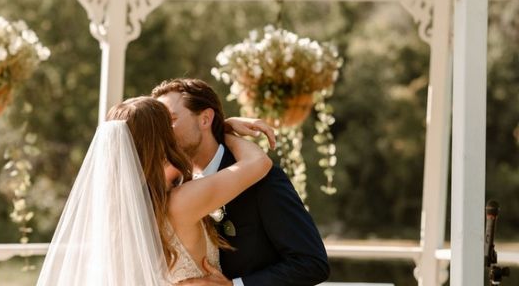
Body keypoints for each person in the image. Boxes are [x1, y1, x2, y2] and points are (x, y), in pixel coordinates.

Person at [37, 96, 272, 285]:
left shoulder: (112, 211)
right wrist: (224, 130)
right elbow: (259, 163)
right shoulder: (182, 202)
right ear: (161, 139)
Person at [153, 78, 330, 286]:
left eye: (171, 120)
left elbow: (312, 263)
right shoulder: (175, 183)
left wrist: (236, 285)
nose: (164, 132)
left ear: (205, 119)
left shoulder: (262, 180)